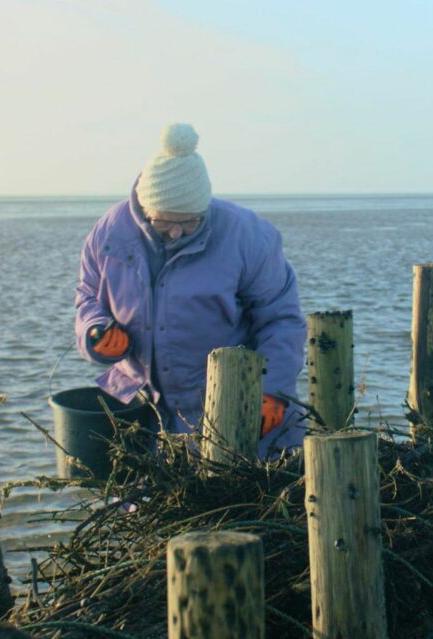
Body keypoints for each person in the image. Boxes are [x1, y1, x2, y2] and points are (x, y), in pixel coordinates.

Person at [74, 123, 306, 457]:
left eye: (189, 222)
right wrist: (95, 332)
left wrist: (272, 393)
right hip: (143, 414)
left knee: (241, 487)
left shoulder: (249, 236)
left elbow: (282, 321)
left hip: (232, 408)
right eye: (164, 223)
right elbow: (88, 296)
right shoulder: (109, 233)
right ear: (144, 209)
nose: (176, 233)